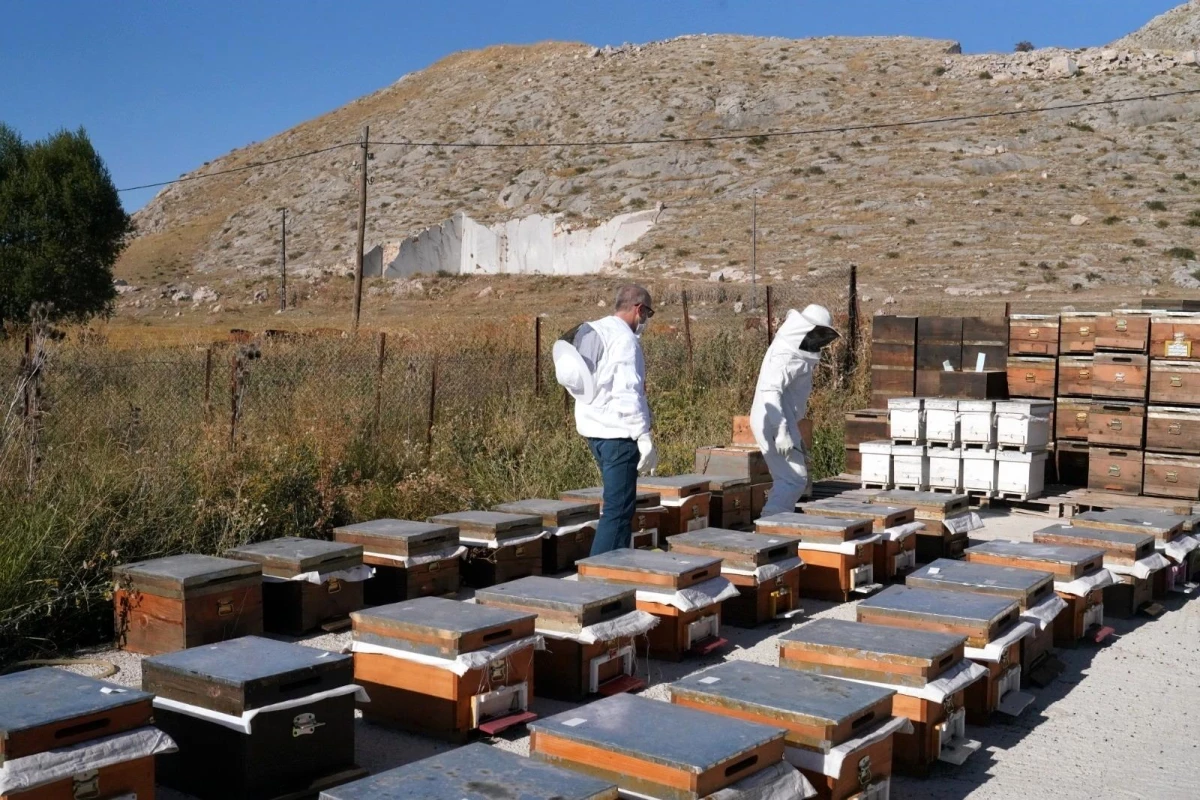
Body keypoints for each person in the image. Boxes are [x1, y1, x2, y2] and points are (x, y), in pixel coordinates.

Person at [553, 284, 658, 555]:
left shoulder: (593, 329)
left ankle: (616, 568)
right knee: (618, 510)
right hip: (619, 436)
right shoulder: (623, 339)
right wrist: (643, 435)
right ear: (638, 309)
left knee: (617, 506)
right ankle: (600, 577)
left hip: (594, 432)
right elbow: (627, 391)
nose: (645, 321)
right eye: (647, 313)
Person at [750, 304, 840, 518]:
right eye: (816, 333)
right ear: (803, 329)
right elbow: (771, 390)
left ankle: (774, 523)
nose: (818, 340)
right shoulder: (785, 354)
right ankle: (770, 526)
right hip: (773, 418)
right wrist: (780, 430)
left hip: (780, 418)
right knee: (793, 479)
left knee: (789, 478)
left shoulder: (796, 354)